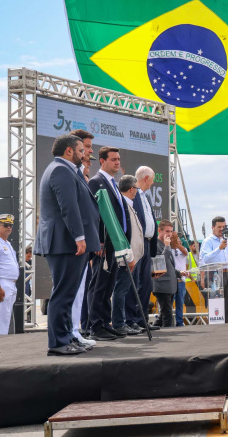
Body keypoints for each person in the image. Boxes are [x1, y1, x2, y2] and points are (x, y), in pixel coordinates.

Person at [36, 134, 101, 355]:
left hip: (68, 242)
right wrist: (79, 237)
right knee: (63, 294)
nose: (84, 154)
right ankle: (58, 343)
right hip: (65, 242)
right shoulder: (60, 170)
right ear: (69, 151)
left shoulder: (66, 170)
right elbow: (68, 206)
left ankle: (68, 337)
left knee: (68, 295)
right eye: (81, 150)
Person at [87, 146, 131, 340]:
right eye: (113, 159)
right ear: (102, 161)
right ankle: (95, 326)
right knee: (98, 285)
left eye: (118, 159)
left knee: (108, 286)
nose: (117, 162)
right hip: (103, 244)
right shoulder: (96, 182)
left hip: (115, 244)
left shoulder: (113, 183)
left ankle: (105, 323)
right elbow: (94, 213)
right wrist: (98, 240)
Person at [68, 128, 96, 344]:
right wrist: (79, 237)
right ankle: (69, 334)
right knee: (71, 291)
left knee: (79, 292)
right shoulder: (67, 172)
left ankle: (75, 332)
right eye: (86, 148)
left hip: (83, 243)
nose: (89, 152)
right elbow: (70, 208)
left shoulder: (79, 174)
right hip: (72, 242)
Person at [127, 165, 159, 332]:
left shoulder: (145, 197)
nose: (152, 183)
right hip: (136, 243)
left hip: (147, 243)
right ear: (146, 178)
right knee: (134, 282)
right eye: (152, 180)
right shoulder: (133, 196)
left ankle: (142, 320)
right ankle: (130, 320)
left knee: (146, 284)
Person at [113, 174, 144, 335]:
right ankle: (119, 323)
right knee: (121, 289)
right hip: (127, 256)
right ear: (132, 189)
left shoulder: (127, 204)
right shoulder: (123, 205)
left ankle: (125, 321)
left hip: (132, 256)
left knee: (126, 290)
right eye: (136, 188)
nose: (137, 191)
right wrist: (129, 256)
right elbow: (125, 234)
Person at [0, 214, 21, 336]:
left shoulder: (7, 244)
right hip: (2, 283)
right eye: (5, 225)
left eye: (10, 225)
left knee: (6, 317)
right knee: (2, 318)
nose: (9, 228)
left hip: (10, 283)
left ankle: (2, 340)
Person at [153, 221, 182, 327]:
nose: (169, 234)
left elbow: (169, 265)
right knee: (167, 314)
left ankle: (156, 327)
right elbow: (160, 263)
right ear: (159, 231)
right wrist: (167, 246)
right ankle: (168, 331)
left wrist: (179, 273)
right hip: (162, 285)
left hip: (170, 284)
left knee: (163, 314)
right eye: (167, 231)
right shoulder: (155, 245)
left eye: (171, 231)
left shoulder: (166, 245)